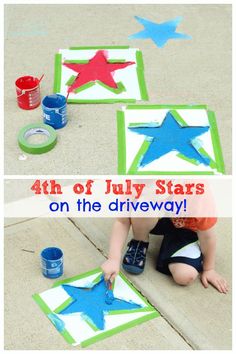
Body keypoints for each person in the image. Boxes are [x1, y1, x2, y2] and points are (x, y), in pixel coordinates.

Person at [101, 217, 228, 294]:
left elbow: (207, 236)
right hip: (155, 216)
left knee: (184, 276)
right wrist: (113, 258)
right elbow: (123, 221)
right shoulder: (143, 181)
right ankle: (140, 240)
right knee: (142, 206)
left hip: (186, 229)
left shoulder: (198, 193)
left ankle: (173, 243)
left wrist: (209, 268)